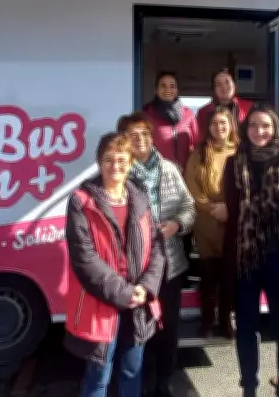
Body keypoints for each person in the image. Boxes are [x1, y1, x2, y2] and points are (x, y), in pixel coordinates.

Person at [64, 132, 166, 397]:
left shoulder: (140, 197)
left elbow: (156, 247)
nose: (115, 167)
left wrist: (146, 286)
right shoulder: (81, 201)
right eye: (108, 160)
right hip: (101, 301)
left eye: (121, 160)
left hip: (138, 302)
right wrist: (124, 292)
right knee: (99, 375)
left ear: (131, 162)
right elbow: (84, 257)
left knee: (132, 372)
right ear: (99, 162)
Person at [222, 104, 279, 397]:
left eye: (266, 126)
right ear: (245, 131)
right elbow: (233, 214)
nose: (260, 132)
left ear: (275, 129)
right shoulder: (233, 163)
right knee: (246, 327)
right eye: (253, 126)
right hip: (245, 258)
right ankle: (249, 387)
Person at [116, 113, 196, 397]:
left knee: (168, 328)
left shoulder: (170, 169)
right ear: (123, 139)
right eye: (132, 134)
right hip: (132, 266)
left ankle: (163, 383)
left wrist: (176, 225)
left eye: (143, 134)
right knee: (136, 328)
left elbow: (189, 206)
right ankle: (137, 383)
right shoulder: (118, 171)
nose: (139, 139)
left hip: (169, 263)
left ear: (151, 137)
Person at [183, 105, 238, 338]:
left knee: (228, 278)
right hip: (206, 223)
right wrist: (210, 207)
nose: (219, 127)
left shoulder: (238, 152)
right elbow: (191, 185)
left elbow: (244, 186)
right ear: (209, 127)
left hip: (232, 222)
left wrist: (229, 209)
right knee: (207, 277)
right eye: (215, 123)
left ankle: (225, 321)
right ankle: (206, 321)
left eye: (224, 123)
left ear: (230, 126)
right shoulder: (199, 152)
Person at [141, 72, 199, 172]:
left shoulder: (188, 114)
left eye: (172, 86)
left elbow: (197, 145)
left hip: (185, 176)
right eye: (163, 86)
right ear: (156, 90)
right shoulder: (147, 116)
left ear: (177, 90)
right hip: (158, 174)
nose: (168, 90)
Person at [196, 68, 255, 142]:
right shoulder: (203, 112)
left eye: (227, 82)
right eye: (218, 84)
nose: (224, 87)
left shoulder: (250, 108)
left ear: (234, 85)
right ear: (214, 89)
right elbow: (199, 140)